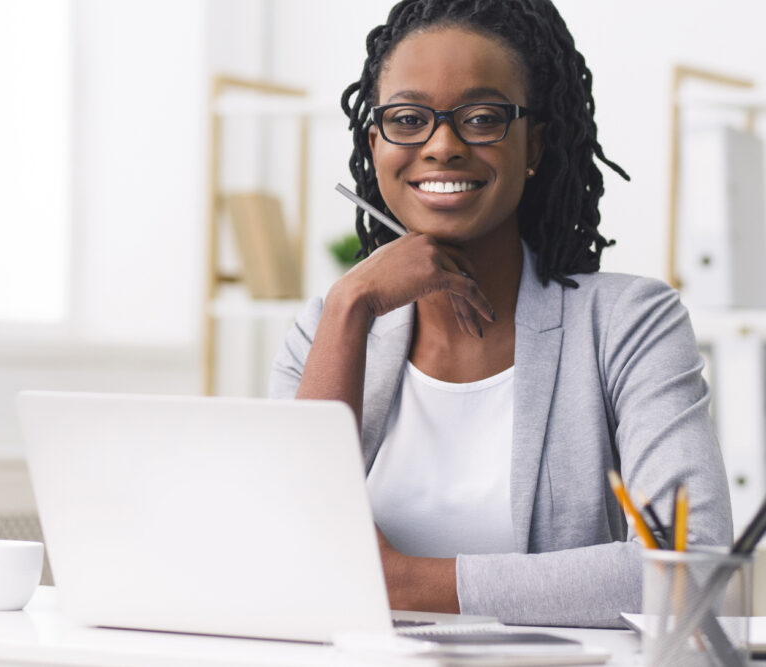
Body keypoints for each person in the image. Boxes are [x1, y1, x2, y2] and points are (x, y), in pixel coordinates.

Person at [269, 0, 732, 628]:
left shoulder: (627, 323)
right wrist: (351, 303)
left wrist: (405, 580)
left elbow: (691, 569)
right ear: (374, 143)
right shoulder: (330, 325)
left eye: (482, 118)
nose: (442, 146)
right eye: (407, 119)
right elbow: (281, 552)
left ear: (533, 143)